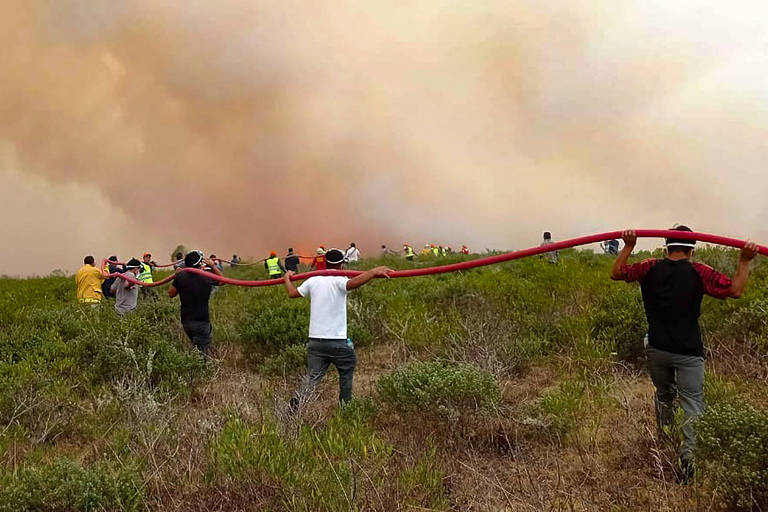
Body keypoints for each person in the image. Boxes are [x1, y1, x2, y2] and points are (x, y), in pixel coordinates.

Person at [611, 226, 758, 482]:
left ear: (667, 246)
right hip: (689, 352)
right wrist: (744, 261)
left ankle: (665, 442)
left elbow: (617, 273)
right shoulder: (699, 271)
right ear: (692, 249)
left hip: (657, 348)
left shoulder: (649, 267)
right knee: (692, 403)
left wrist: (628, 247)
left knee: (665, 394)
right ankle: (687, 462)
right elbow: (734, 290)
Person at [283, 248, 392, 406]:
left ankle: (296, 405)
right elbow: (353, 283)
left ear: (324, 263)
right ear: (341, 265)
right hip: (337, 342)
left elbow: (292, 293)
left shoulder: (313, 280)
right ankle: (345, 408)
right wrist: (373, 272)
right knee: (346, 374)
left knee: (312, 378)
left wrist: (287, 278)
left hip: (315, 342)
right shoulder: (340, 280)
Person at [168, 251, 223, 355]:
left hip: (186, 322)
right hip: (201, 321)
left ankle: (194, 362)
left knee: (197, 346)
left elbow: (171, 293)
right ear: (199, 264)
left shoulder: (181, 277)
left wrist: (177, 276)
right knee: (202, 352)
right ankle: (199, 368)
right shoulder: (206, 276)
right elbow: (222, 281)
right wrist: (213, 266)